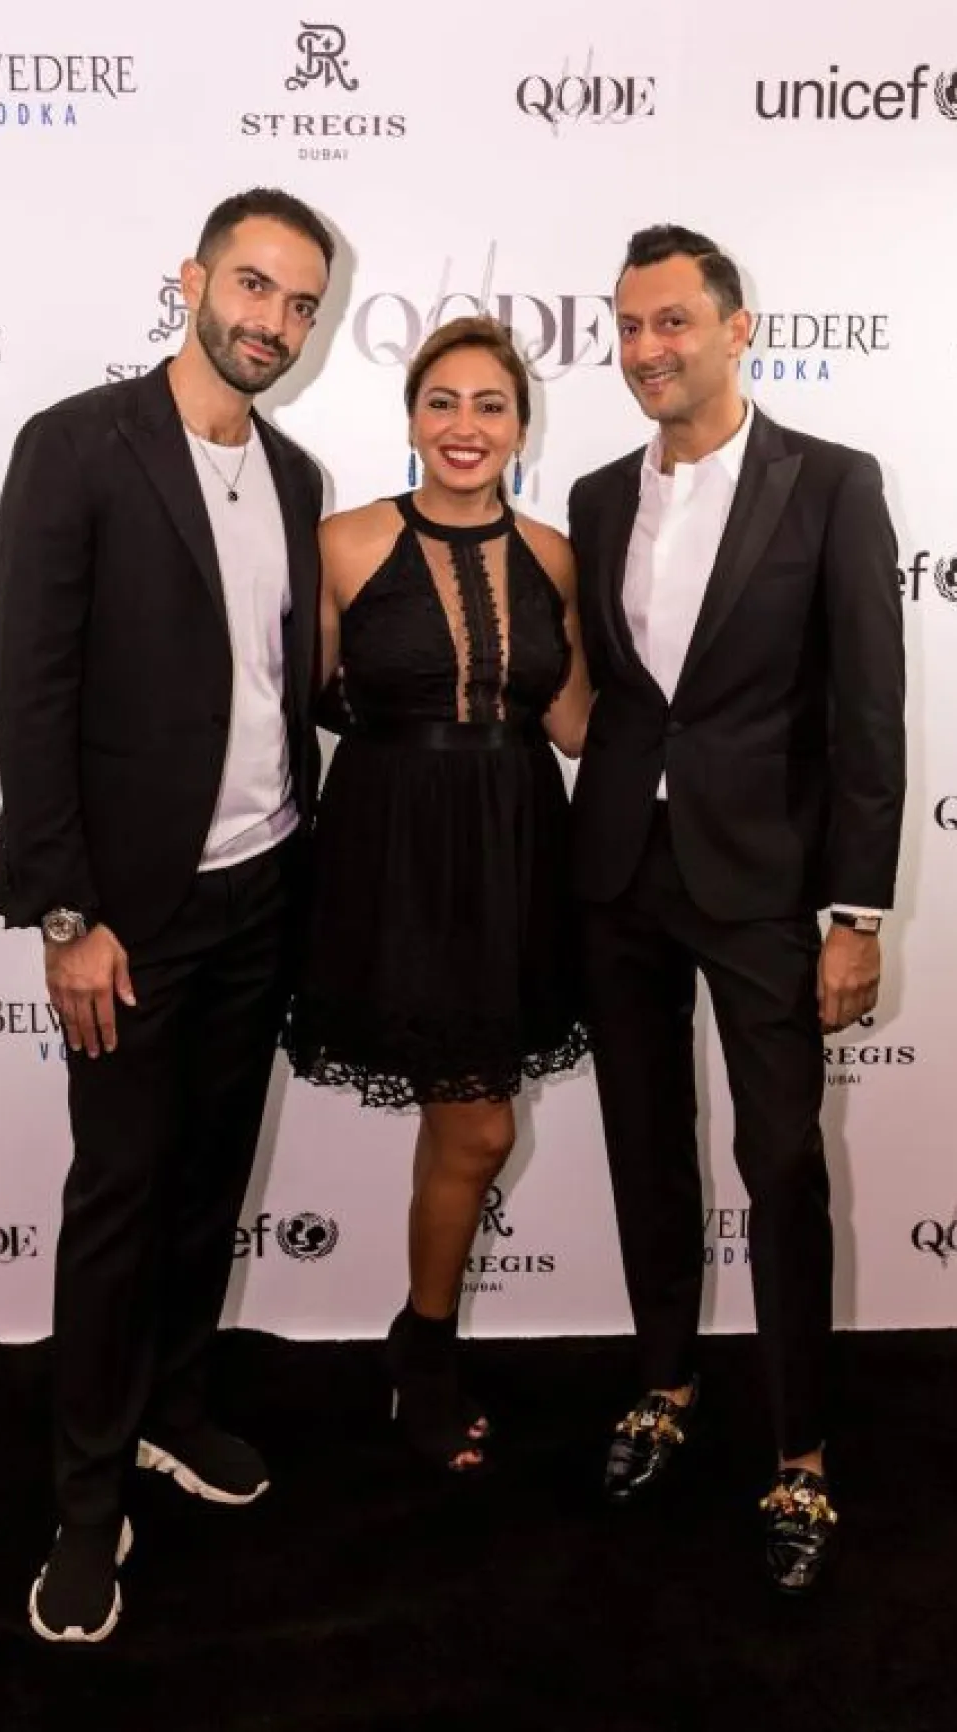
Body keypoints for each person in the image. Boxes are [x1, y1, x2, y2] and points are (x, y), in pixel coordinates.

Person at [0, 186, 335, 1641]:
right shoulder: (77, 444)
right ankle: (85, 1502)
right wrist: (67, 910)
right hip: (130, 913)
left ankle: (172, 1409)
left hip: (265, 886)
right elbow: (32, 686)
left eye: (301, 303)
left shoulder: (299, 476)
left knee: (209, 1182)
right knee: (119, 1201)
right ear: (192, 279)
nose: (273, 320)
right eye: (254, 285)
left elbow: (277, 685)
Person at [569, 225, 904, 1592]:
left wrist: (857, 911)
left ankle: (800, 1449)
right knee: (646, 1145)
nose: (647, 349)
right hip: (619, 875)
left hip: (766, 883)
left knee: (781, 1164)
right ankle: (664, 1383)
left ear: (736, 327)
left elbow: (867, 710)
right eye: (628, 327)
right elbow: (613, 695)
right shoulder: (597, 495)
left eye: (672, 322)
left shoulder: (830, 481)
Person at [286, 315, 591, 1470]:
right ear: (411, 416)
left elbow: (577, 724)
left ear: (522, 424)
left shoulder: (556, 554)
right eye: (443, 402)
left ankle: (419, 1340)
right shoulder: (343, 543)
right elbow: (288, 699)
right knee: (479, 1120)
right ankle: (424, 1349)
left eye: (491, 405)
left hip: (516, 856)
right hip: (396, 862)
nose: (466, 426)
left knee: (466, 1119)